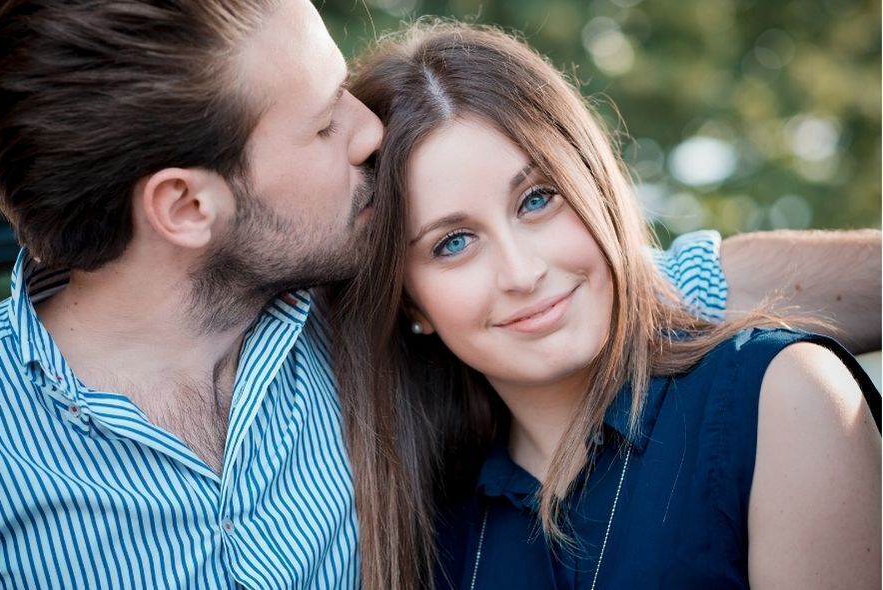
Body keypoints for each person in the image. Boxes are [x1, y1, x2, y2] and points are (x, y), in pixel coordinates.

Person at [0, 1, 877, 587]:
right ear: (185, 204)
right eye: (320, 124)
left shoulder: (362, 313)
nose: (366, 132)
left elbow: (664, 288)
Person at [343, 22, 882, 589]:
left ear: (595, 186)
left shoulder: (781, 397)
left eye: (537, 200)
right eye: (452, 243)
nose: (523, 273)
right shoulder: (422, 526)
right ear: (409, 303)